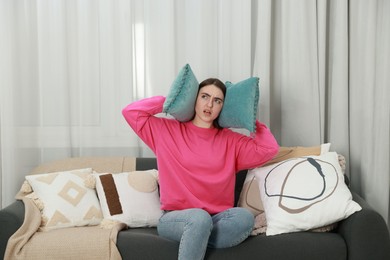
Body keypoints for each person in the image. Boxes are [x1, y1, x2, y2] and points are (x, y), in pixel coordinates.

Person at [122, 78, 279, 260]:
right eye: (204, 96)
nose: (209, 104)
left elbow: (269, 149)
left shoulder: (232, 141)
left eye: (217, 101)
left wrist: (249, 118)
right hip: (175, 219)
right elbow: (131, 112)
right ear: (194, 100)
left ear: (222, 107)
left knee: (244, 218)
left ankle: (196, 237)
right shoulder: (165, 131)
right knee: (198, 218)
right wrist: (172, 100)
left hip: (218, 219)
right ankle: (196, 232)